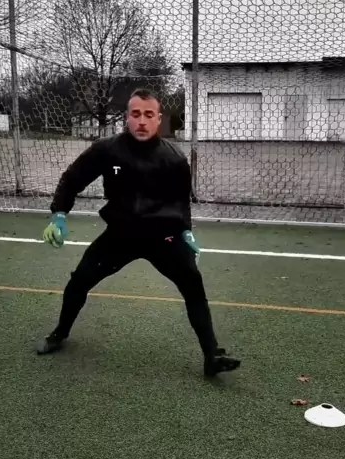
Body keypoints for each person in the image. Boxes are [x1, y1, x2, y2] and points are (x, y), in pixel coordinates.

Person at [37, 89, 241, 378]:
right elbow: (72, 179)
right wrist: (59, 214)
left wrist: (185, 232)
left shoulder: (174, 158)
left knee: (194, 286)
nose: (142, 121)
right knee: (79, 281)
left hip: (164, 238)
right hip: (120, 236)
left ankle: (212, 357)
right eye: (136, 114)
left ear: (158, 119)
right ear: (127, 118)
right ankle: (59, 333)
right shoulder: (107, 150)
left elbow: (180, 201)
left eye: (148, 115)